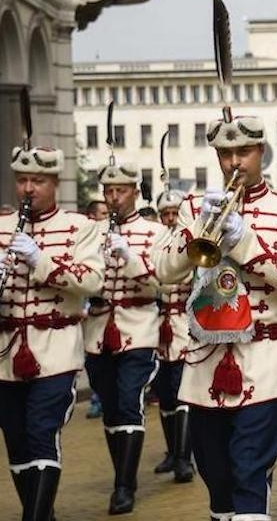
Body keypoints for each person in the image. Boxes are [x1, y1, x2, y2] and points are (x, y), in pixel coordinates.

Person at [153, 111, 277, 521]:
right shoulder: (194, 207)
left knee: (249, 473)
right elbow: (162, 269)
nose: (234, 163)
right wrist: (197, 230)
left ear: (261, 151)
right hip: (205, 362)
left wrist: (245, 241)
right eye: (225, 154)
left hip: (261, 361)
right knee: (216, 479)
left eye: (243, 151)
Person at [0, 144, 104, 520]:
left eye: (38, 180)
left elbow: (91, 281)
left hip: (54, 349)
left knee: (42, 433)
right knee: (17, 441)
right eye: (22, 180)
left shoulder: (80, 227)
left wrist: (41, 260)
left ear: (54, 182)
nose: (28, 188)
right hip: (2, 351)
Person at [84, 160, 165, 514]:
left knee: (130, 401)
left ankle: (123, 486)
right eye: (109, 191)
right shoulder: (91, 231)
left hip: (138, 328)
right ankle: (121, 472)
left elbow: (161, 284)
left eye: (121, 191)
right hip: (99, 330)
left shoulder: (154, 232)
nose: (114, 197)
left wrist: (129, 258)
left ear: (135, 191)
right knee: (111, 406)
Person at [149, 189, 194, 484]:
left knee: (181, 392)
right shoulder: (155, 241)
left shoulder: (188, 242)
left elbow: (184, 277)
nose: (169, 219)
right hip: (158, 327)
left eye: (173, 213)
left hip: (183, 325)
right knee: (164, 392)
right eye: (164, 214)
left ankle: (184, 456)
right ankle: (170, 451)